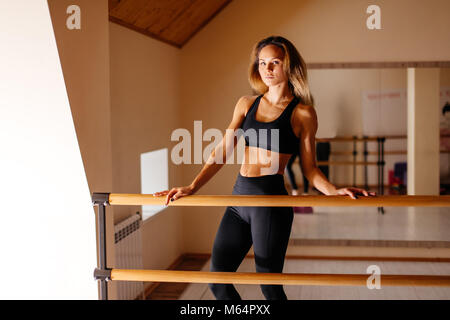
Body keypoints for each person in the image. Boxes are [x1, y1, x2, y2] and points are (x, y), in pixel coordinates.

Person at [153, 36, 376, 300]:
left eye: (274, 63)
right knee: (217, 281)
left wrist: (333, 190)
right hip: (238, 202)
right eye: (262, 63)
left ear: (289, 66)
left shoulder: (303, 113)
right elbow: (222, 151)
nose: (267, 69)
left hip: (270, 206)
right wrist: (192, 187)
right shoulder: (246, 104)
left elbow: (310, 169)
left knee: (269, 287)